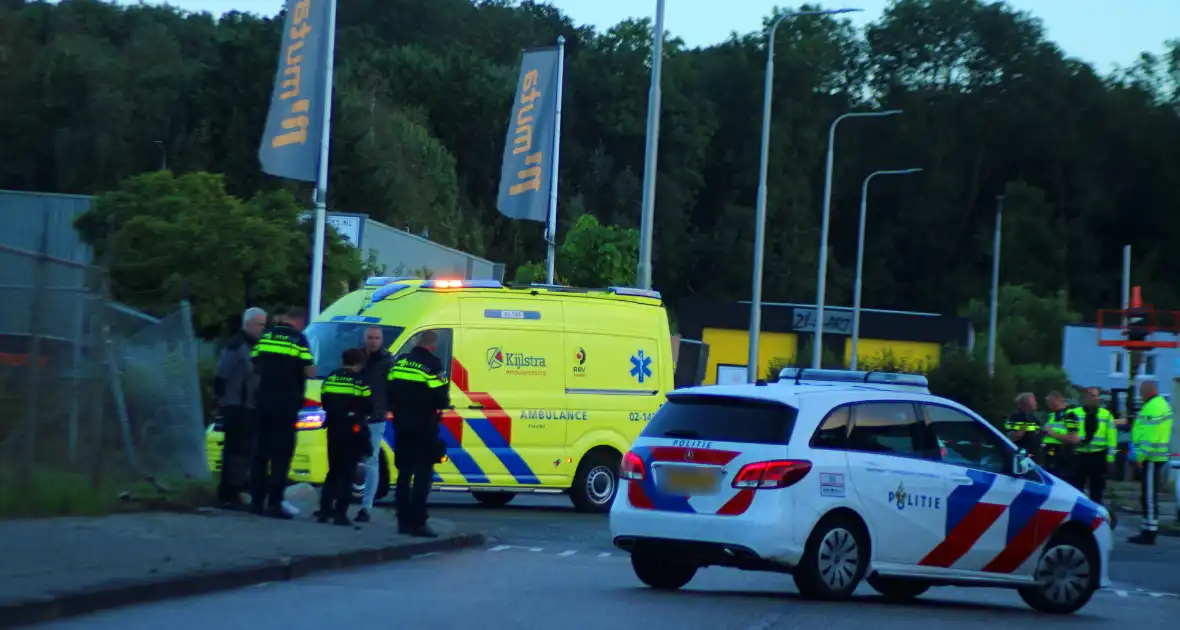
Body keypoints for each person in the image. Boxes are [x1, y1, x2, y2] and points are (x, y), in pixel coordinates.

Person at [250, 307, 315, 519]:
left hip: (264, 401)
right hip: (287, 403)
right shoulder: (298, 339)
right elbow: (309, 371)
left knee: (261, 452)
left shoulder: (266, 336)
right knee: (281, 454)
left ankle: (256, 501)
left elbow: (255, 364)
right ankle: (274, 503)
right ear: (298, 321)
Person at [388, 330, 450, 538]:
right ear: (432, 345)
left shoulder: (400, 362)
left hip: (402, 423)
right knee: (423, 474)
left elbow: (389, 390)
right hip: (424, 424)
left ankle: (403, 521)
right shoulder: (433, 365)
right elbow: (441, 398)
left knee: (404, 473)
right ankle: (419, 522)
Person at [213, 307, 267, 509]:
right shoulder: (237, 346)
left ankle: (234, 490)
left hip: (248, 405)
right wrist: (219, 400)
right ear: (249, 324)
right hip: (236, 405)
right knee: (236, 450)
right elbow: (222, 373)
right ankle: (228, 492)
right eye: (260, 324)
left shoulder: (254, 345)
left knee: (244, 450)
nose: (263, 328)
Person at [316, 348, 374, 526]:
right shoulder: (359, 381)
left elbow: (324, 400)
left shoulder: (331, 377)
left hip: (333, 428)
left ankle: (325, 510)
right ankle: (341, 513)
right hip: (352, 430)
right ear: (360, 363)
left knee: (333, 471)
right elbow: (368, 405)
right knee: (348, 473)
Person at [1128, 380, 1174, 545]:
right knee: (1148, 495)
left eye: (1142, 392)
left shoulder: (1153, 407)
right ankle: (1147, 528)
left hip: (1151, 457)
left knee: (1148, 496)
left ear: (1149, 391)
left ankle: (1149, 532)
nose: (1141, 395)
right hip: (1155, 456)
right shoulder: (1160, 404)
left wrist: (1140, 456)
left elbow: (1149, 435)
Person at [356, 326, 393, 523]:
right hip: (354, 416)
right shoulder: (357, 358)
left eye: (376, 338)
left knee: (371, 462)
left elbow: (394, 388)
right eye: (370, 337)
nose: (373, 341)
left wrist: (387, 408)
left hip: (375, 418)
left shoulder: (388, 361)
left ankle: (366, 507)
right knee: (346, 460)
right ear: (364, 338)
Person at [1073, 386, 1117, 504]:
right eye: (1093, 396)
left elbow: (1112, 437)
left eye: (1098, 396)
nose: (1096, 398)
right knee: (1077, 488)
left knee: (1097, 489)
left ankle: (1095, 515)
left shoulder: (1106, 415)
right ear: (1086, 397)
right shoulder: (1075, 413)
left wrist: (1110, 458)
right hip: (1079, 455)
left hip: (1098, 455)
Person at [1040, 391, 1081, 480]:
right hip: (1050, 456)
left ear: (1056, 401)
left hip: (1063, 457)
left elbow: (1074, 439)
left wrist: (1051, 433)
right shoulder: (1052, 415)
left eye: (1049, 402)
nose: (1047, 405)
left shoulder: (1070, 415)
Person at [1003, 392, 1043, 462]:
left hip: (1033, 459)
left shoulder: (1035, 419)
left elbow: (1037, 438)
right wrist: (1025, 427)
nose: (1036, 403)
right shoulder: (1014, 417)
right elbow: (1011, 438)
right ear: (1025, 403)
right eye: (1034, 401)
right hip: (1019, 459)